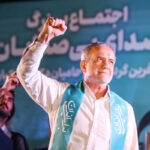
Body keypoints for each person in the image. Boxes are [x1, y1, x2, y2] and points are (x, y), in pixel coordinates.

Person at [17, 17, 139, 150]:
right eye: (99, 59)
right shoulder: (60, 94)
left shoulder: (124, 110)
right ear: (83, 65)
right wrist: (45, 36)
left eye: (111, 61)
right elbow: (26, 74)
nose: (106, 65)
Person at [0, 72, 29, 150]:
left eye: (9, 99)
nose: (5, 101)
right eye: (2, 96)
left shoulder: (17, 140)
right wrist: (5, 88)